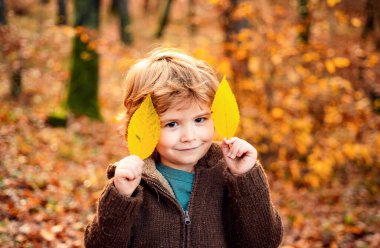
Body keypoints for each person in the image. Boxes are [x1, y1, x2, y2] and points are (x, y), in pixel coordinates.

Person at [84, 48, 283, 248]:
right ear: (144, 127)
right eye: (172, 124)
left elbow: (264, 242)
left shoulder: (227, 177)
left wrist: (246, 178)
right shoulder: (133, 183)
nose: (189, 137)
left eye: (200, 119)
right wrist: (120, 197)